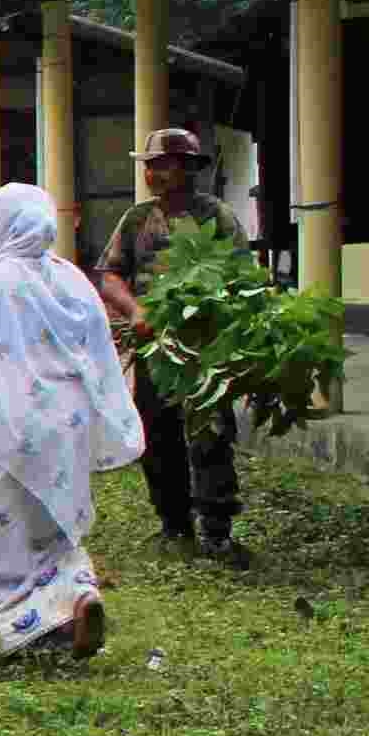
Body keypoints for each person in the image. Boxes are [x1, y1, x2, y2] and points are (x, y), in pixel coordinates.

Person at [0, 182, 138, 663]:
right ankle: (78, 596)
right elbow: (99, 354)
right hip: (65, 429)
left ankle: (6, 630)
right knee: (52, 529)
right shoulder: (71, 280)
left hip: (4, 431)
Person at [93, 126, 251, 569]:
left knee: (210, 437)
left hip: (204, 352)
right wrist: (135, 309)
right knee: (157, 435)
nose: (154, 174)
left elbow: (243, 278)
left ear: (188, 169)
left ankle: (217, 530)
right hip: (153, 348)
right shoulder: (137, 220)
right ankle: (174, 524)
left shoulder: (216, 217)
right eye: (151, 166)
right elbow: (109, 275)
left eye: (163, 166)